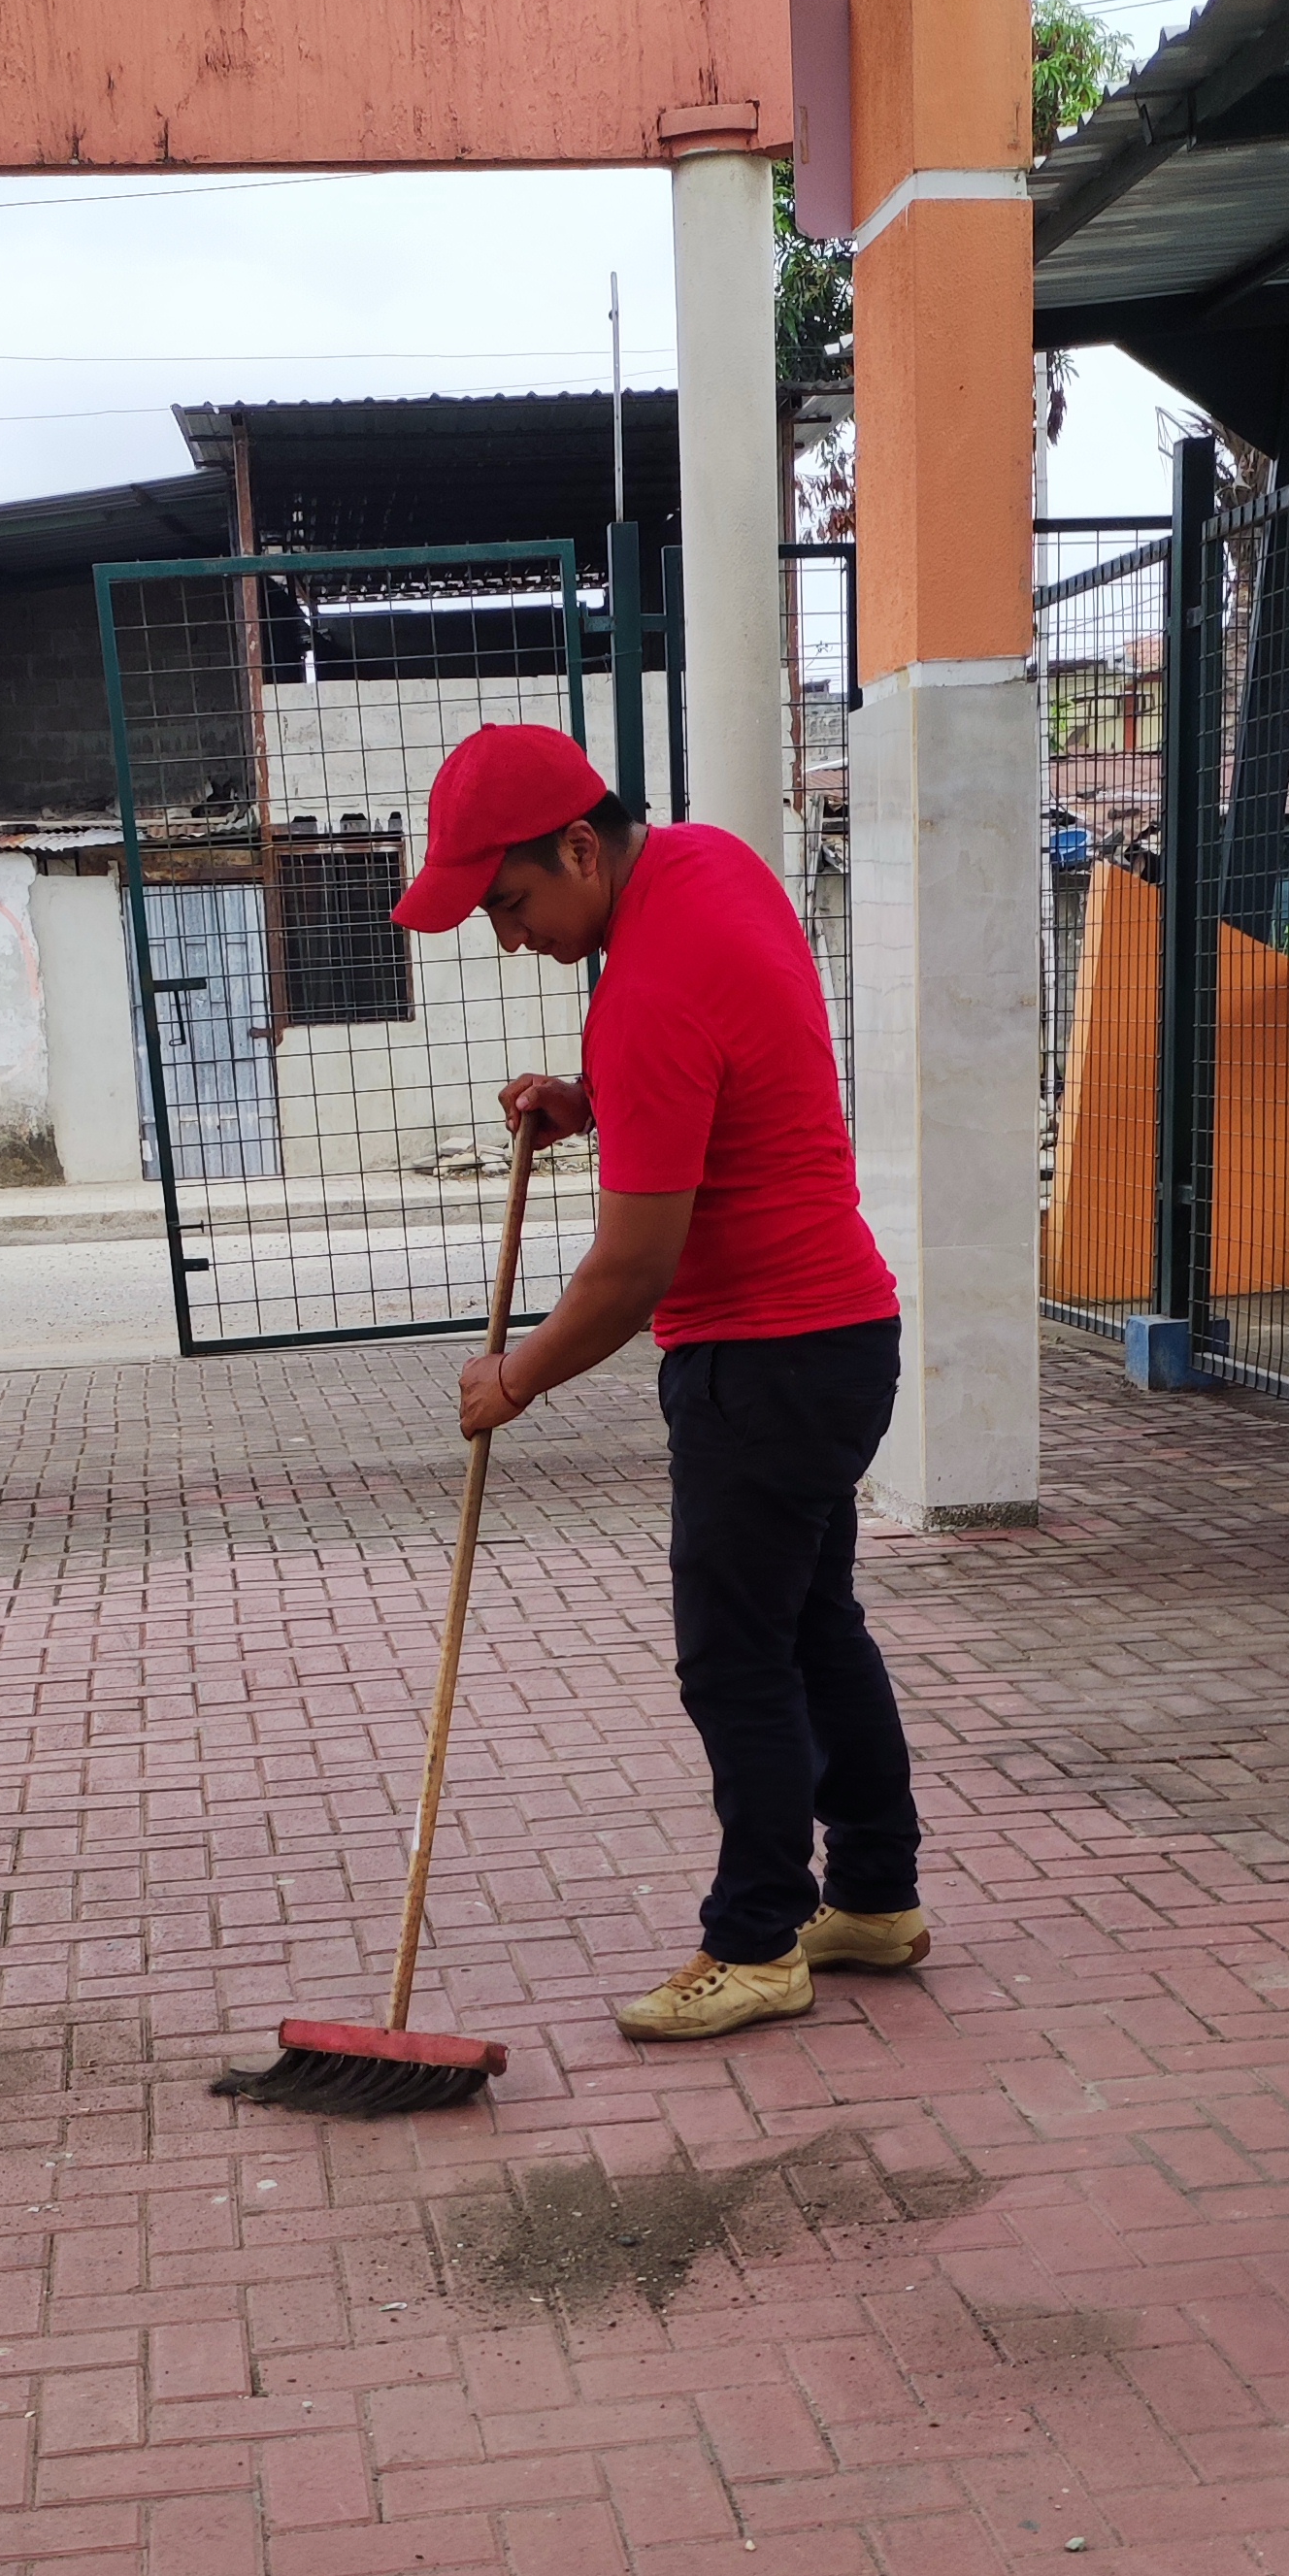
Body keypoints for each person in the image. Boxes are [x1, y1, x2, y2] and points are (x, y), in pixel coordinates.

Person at [393, 721, 926, 2043]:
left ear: (580, 846)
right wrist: (596, 1098)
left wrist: (513, 1379)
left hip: (760, 1359)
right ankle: (875, 1899)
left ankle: (756, 1943)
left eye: (509, 903)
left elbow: (634, 1270)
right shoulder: (708, 865)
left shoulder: (645, 991)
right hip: (840, 1338)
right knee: (813, 1627)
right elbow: (727, 1062)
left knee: (737, 1661)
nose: (509, 939)